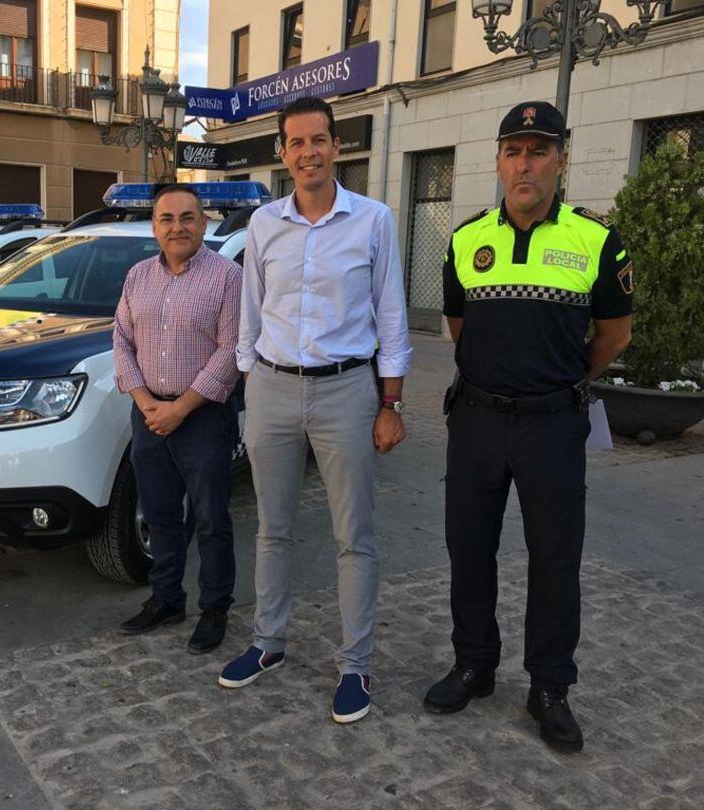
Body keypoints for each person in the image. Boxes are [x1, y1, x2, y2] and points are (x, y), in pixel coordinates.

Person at [424, 101, 633, 752]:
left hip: (552, 425)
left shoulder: (597, 241)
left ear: (561, 161)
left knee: (555, 560)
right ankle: (474, 665)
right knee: (468, 548)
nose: (525, 163)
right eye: (514, 150)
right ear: (497, 162)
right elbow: (460, 329)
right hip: (478, 419)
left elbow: (614, 335)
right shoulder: (466, 239)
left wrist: (561, 380)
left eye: (539, 150)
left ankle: (550, 687)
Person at [218, 97, 413, 725]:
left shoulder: (374, 221)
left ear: (337, 147)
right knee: (272, 527)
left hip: (346, 392)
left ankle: (355, 664)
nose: (308, 152)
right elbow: (251, 307)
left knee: (352, 536)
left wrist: (391, 402)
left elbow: (390, 314)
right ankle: (268, 643)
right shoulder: (262, 224)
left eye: (319, 141)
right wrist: (250, 381)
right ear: (282, 152)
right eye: (296, 142)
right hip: (271, 388)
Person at [112, 184, 243, 654]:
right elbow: (121, 342)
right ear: (154, 226)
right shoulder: (137, 277)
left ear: (203, 223)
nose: (177, 227)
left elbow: (232, 349)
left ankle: (214, 608)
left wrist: (181, 407)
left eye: (187, 217)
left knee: (210, 518)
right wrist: (147, 403)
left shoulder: (228, 277)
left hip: (203, 416)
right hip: (148, 415)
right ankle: (166, 598)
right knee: (161, 514)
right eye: (167, 219)